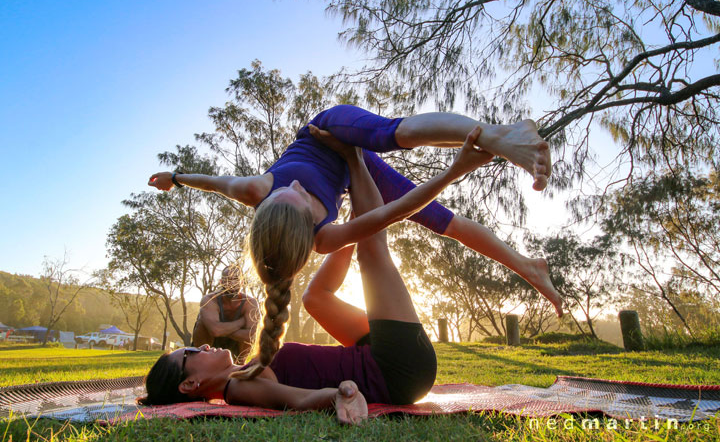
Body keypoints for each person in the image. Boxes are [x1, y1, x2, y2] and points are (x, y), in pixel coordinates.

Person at [149, 106, 562, 367]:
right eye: (297, 197)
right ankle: (528, 267)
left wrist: (177, 178)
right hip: (352, 164)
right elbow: (393, 213)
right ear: (308, 227)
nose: (292, 185)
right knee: (443, 222)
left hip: (329, 130)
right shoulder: (326, 238)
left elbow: (215, 182)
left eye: (285, 190)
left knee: (391, 134)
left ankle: (497, 136)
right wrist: (453, 170)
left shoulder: (258, 189)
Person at [138, 126, 491, 424]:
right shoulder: (238, 388)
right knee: (373, 248)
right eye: (189, 354)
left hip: (378, 357)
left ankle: (357, 210)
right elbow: (303, 399)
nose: (200, 345)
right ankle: (356, 165)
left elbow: (222, 184)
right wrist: (344, 394)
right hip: (398, 369)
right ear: (190, 385)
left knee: (314, 297)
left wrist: (178, 178)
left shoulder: (244, 373)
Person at [192, 266, 260, 361]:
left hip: (236, 345)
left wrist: (220, 329)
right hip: (210, 344)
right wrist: (241, 322)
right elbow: (215, 331)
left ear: (242, 282)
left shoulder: (250, 302)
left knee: (250, 333)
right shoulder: (209, 300)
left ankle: (239, 365)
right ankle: (201, 360)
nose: (231, 284)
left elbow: (253, 335)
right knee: (202, 323)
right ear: (221, 282)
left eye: (235, 280)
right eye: (228, 280)